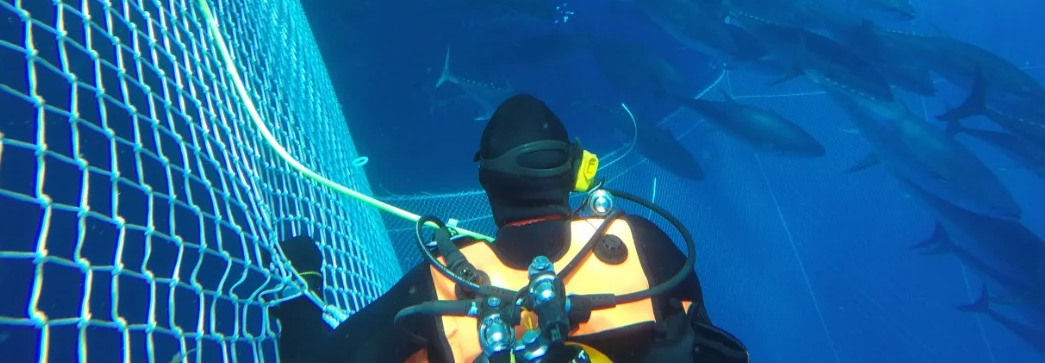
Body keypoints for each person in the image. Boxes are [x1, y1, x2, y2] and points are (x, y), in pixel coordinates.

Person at [269, 94, 748, 363]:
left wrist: (300, 287)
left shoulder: (441, 281)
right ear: (576, 171)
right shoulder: (642, 245)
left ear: (487, 183)